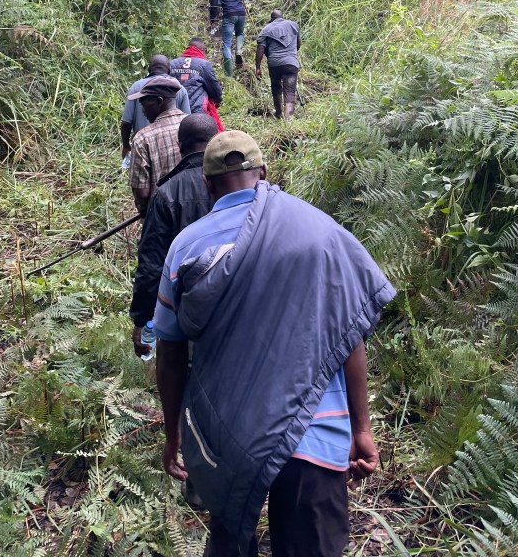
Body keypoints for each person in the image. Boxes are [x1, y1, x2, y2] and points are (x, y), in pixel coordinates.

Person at [154, 130, 396, 556]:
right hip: (315, 430)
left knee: (230, 540)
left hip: (226, 436)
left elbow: (170, 353)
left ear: (207, 185)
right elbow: (349, 333)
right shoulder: (319, 231)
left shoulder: (185, 247)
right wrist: (361, 428)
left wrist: (174, 434)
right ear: (264, 173)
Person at [130, 113, 218, 357]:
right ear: (217, 140)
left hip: (184, 307)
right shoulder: (234, 182)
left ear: (180, 147)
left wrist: (142, 319)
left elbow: (152, 263)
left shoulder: (166, 192)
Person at [128, 75, 185, 217]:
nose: (142, 110)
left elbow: (142, 193)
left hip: (160, 217)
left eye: (144, 104)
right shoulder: (196, 125)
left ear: (159, 102)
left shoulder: (143, 138)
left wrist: (143, 210)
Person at [121, 56, 191, 162]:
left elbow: (126, 122)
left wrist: (126, 145)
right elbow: (187, 122)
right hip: (174, 149)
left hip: (142, 148)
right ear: (169, 70)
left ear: (149, 69)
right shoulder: (179, 89)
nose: (143, 109)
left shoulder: (136, 87)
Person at [255, 9, 301, 121]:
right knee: (290, 90)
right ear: (282, 17)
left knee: (276, 87)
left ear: (271, 19)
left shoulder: (266, 29)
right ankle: (288, 118)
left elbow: (260, 49)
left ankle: (278, 112)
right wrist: (291, 55)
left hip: (274, 64)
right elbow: (298, 44)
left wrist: (258, 67)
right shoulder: (293, 25)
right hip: (290, 64)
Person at [171, 39, 225, 131]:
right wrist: (218, 99)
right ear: (202, 50)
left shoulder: (172, 63)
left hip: (174, 111)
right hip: (197, 111)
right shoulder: (204, 64)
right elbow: (214, 87)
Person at [210, 0, 254, 75]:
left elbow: (214, 4)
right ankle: (239, 52)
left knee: (227, 43)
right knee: (239, 34)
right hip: (241, 14)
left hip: (229, 15)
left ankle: (229, 74)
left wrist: (213, 18)